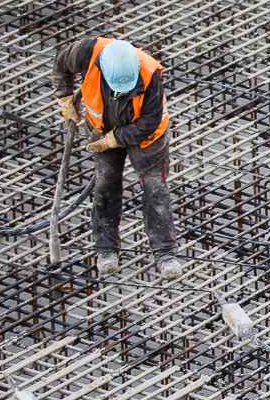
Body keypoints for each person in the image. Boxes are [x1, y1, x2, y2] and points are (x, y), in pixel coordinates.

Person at [52, 37, 181, 279]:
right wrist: (64, 96)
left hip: (147, 136)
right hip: (101, 127)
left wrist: (115, 139)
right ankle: (106, 249)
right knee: (105, 186)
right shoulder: (85, 53)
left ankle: (165, 254)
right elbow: (61, 65)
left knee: (155, 190)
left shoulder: (149, 72)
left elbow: (149, 121)